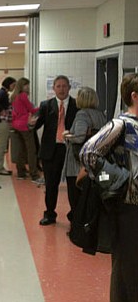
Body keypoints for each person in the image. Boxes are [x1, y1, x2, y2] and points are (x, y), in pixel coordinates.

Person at [80, 73, 138, 302]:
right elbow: (88, 154)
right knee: (130, 268)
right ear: (134, 96)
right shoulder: (121, 124)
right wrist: (117, 180)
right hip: (129, 208)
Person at [33, 75, 78, 225]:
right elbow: (36, 125)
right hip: (51, 150)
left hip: (70, 150)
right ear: (53, 89)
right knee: (51, 184)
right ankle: (50, 214)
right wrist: (31, 123)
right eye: (58, 86)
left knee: (73, 185)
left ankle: (74, 215)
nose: (61, 89)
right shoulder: (46, 105)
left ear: (69, 88)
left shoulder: (76, 105)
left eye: (64, 86)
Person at [61, 87, 106, 217]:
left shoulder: (82, 114)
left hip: (77, 165)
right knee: (89, 198)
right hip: (94, 163)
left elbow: (79, 137)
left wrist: (67, 135)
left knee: (76, 199)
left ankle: (77, 229)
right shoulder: (100, 115)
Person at [9, 78, 40, 181]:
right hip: (25, 125)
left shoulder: (14, 96)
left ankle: (21, 173)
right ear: (22, 86)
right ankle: (34, 174)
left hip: (16, 125)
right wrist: (42, 107)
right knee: (31, 150)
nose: (28, 87)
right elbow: (31, 110)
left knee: (20, 150)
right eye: (26, 85)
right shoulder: (23, 96)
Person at [0, 77, 16, 175]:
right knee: (2, 146)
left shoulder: (3, 92)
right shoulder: (2, 93)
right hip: (3, 122)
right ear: (8, 84)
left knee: (3, 146)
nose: (14, 87)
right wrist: (1, 111)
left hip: (3, 121)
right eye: (13, 85)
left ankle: (0, 167)